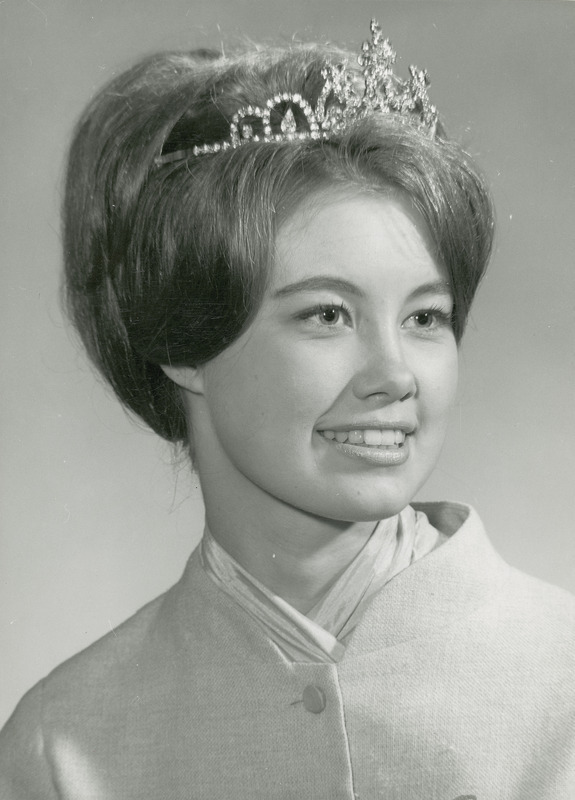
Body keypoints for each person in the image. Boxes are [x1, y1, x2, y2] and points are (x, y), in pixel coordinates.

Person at [1, 19, 573, 799]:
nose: (394, 376)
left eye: (425, 318)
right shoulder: (62, 743)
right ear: (182, 342)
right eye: (327, 316)